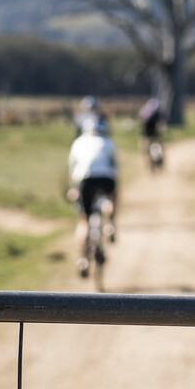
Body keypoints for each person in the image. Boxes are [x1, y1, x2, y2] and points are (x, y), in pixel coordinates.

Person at [66, 112, 119, 277]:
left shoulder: (78, 142)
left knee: (83, 220)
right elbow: (116, 169)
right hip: (106, 179)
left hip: (85, 180)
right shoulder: (109, 142)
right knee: (111, 197)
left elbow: (72, 169)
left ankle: (82, 259)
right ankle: (110, 223)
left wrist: (73, 190)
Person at [137, 95, 166, 170]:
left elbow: (141, 123)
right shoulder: (156, 114)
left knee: (146, 148)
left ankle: (149, 161)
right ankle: (159, 161)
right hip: (154, 135)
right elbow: (161, 126)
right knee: (160, 146)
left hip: (148, 135)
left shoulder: (145, 112)